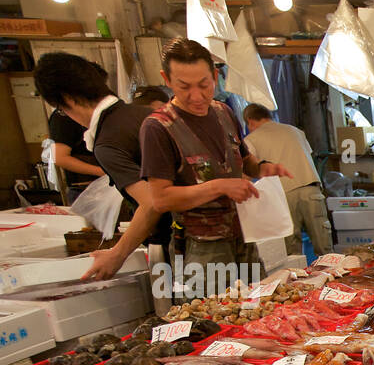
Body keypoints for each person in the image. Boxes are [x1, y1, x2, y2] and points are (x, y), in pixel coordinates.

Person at [140, 38, 291, 278]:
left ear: (215, 75)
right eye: (184, 87)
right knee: (214, 304)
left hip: (244, 236)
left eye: (204, 84)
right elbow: (161, 199)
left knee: (262, 299)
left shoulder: (224, 112)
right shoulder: (158, 127)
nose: (197, 96)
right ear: (166, 79)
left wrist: (263, 168)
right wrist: (220, 186)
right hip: (202, 247)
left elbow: (245, 160)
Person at [32, 52, 172, 282]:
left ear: (68, 99)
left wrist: (117, 254)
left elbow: (151, 202)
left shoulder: (107, 143)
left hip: (177, 246)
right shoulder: (147, 114)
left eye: (61, 109)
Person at [243, 103, 332, 257]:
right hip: (311, 189)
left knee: (292, 254)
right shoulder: (296, 131)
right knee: (325, 247)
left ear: (250, 121)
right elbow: (307, 154)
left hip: (283, 196)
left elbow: (248, 170)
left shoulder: (250, 139)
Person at [48, 109, 105, 195]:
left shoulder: (98, 111)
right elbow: (60, 158)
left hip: (105, 184)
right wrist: (102, 172)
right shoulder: (62, 116)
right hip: (85, 188)